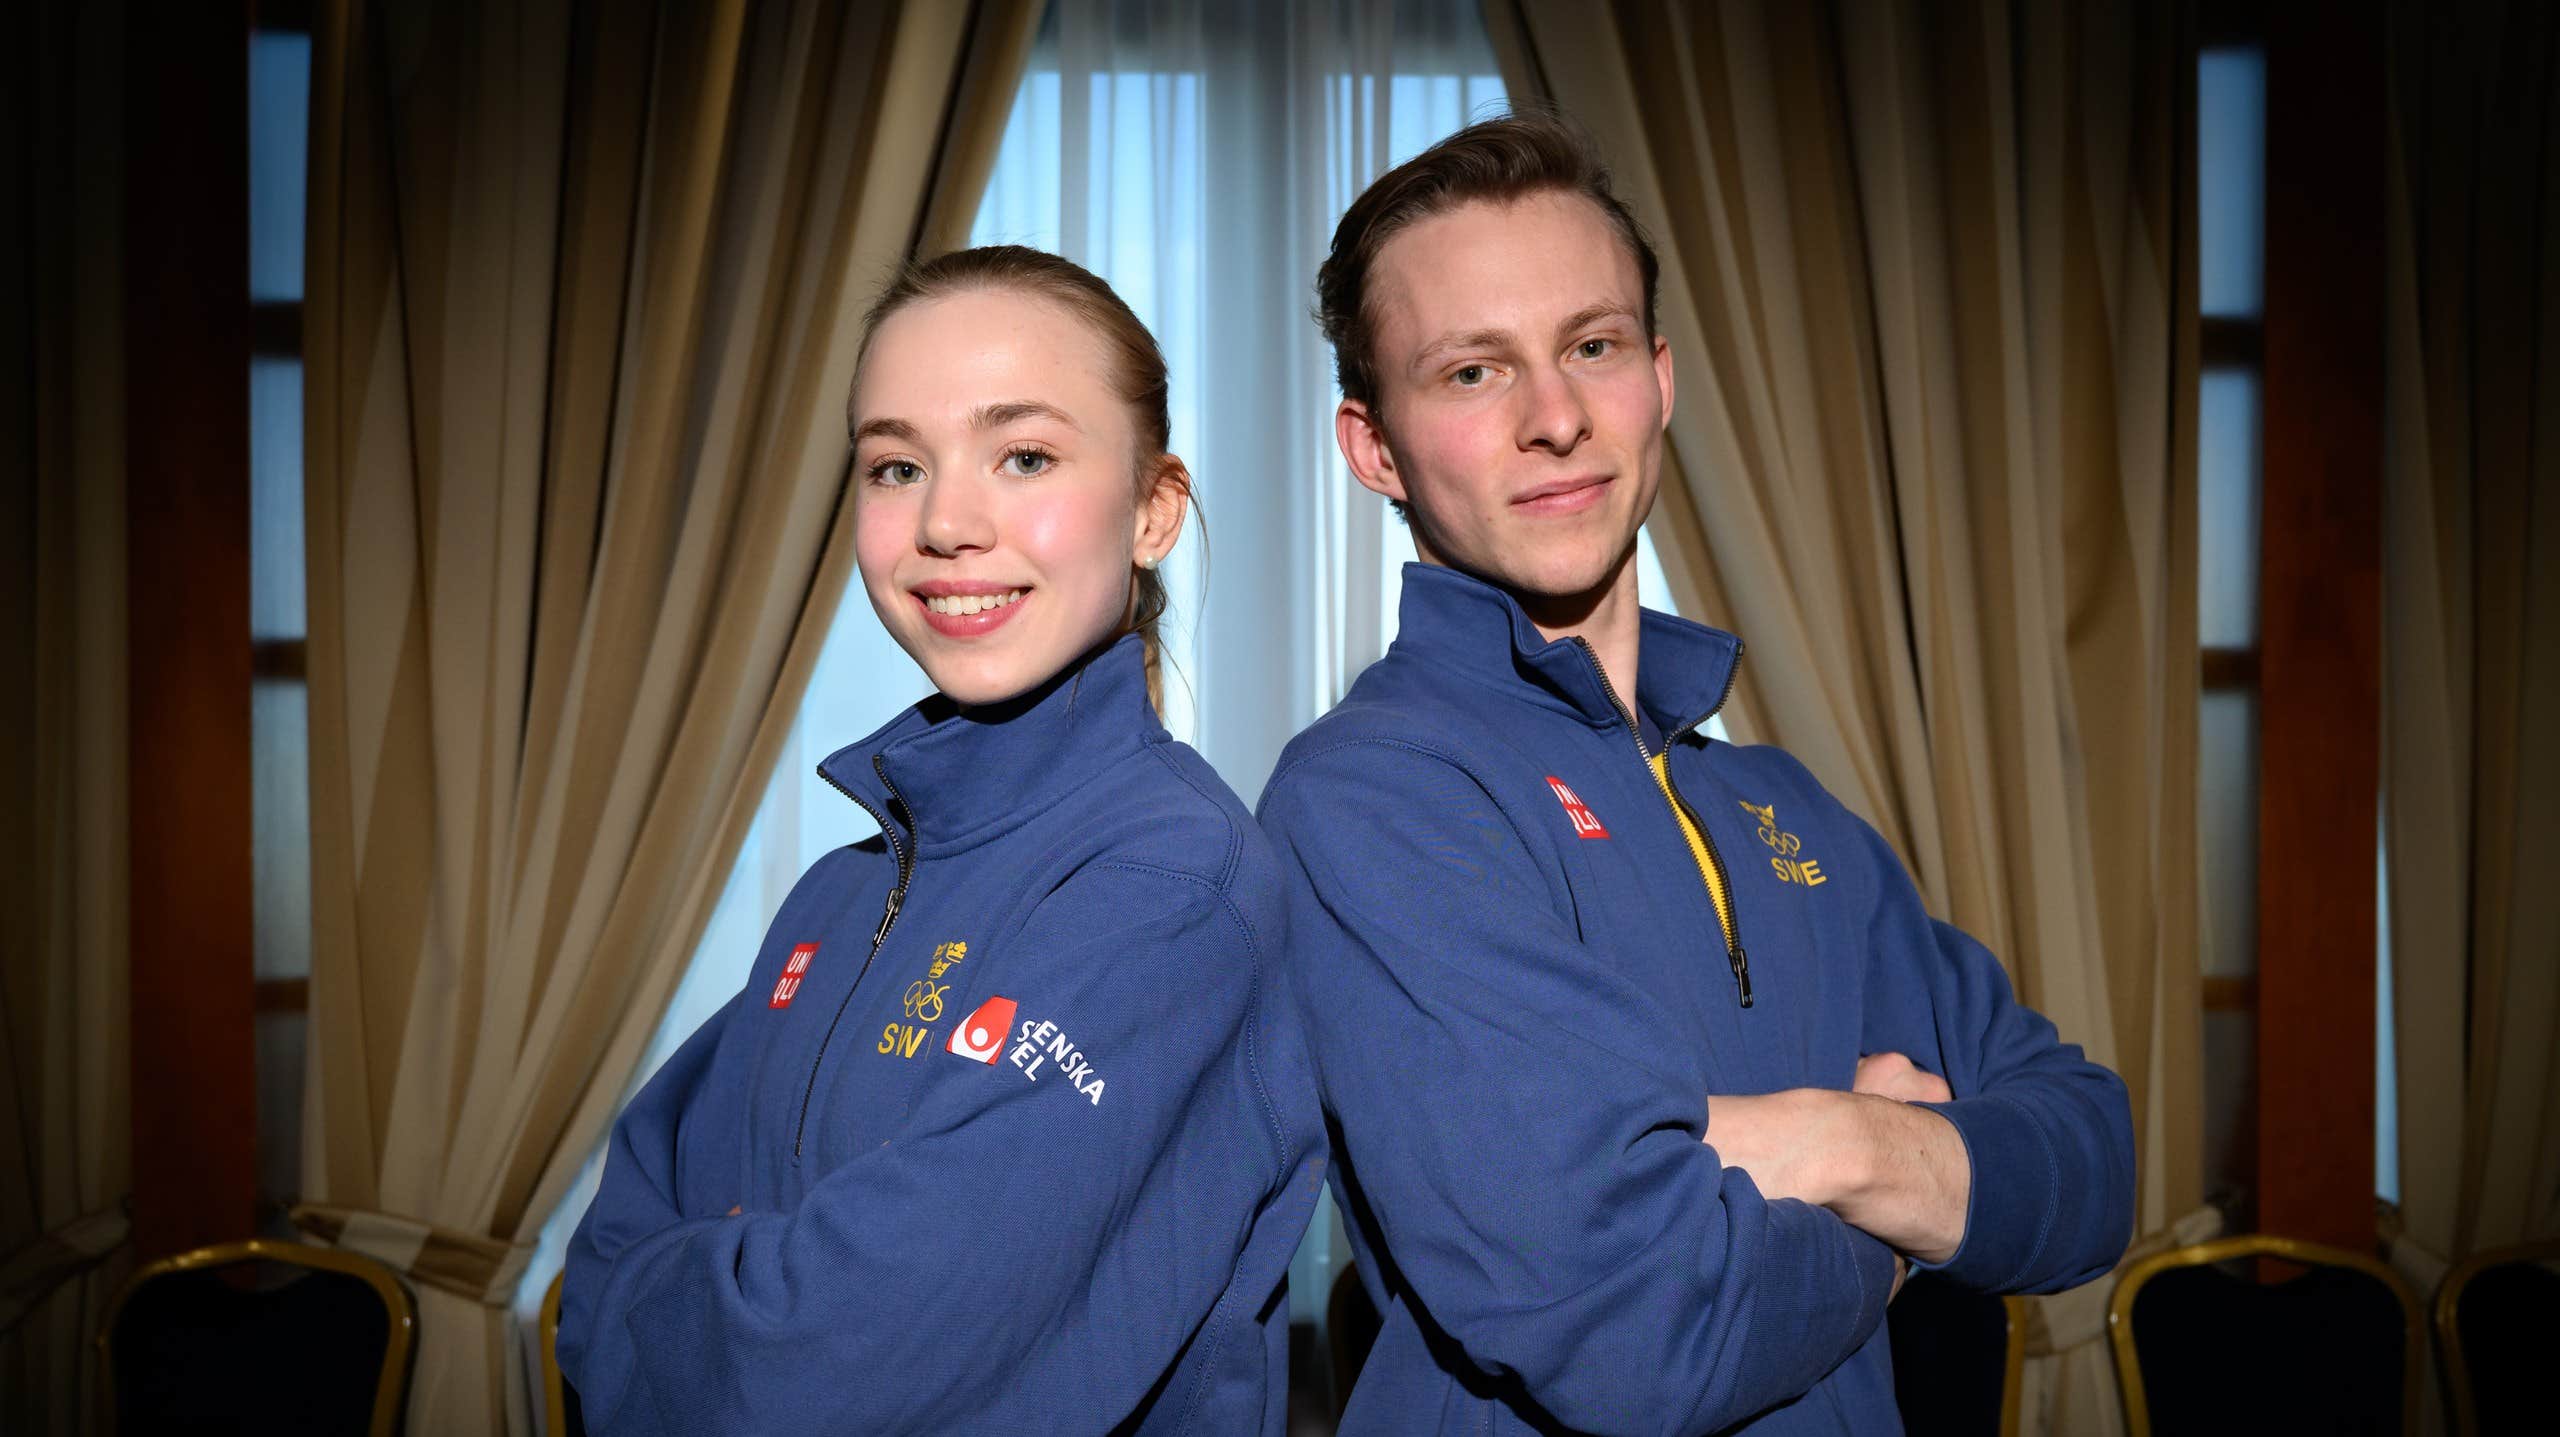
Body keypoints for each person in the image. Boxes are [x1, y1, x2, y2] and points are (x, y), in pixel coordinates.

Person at [1258, 113, 2135, 1435]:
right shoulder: (1370, 798)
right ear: (1373, 447)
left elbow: (2091, 1166)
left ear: (1659, 380)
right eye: (1473, 372)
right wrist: (1909, 1206)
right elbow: (1639, 1328)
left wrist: (1826, 1140)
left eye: (1593, 347)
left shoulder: (1784, 807)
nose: (1556, 418)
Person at [559, 246, 1324, 1434]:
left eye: (1024, 457)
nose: (945, 524)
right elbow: (599, 1260)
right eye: (896, 465)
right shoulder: (836, 894)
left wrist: (701, 1290)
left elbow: (836, 1367)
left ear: (1154, 509)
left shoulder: (1173, 890)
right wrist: (740, 1290)